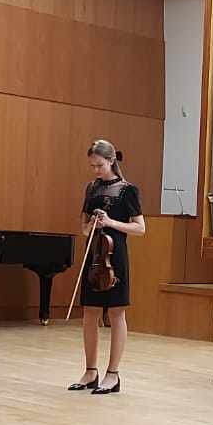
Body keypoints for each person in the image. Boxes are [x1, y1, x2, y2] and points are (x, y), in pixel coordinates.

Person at [69, 139, 145, 395]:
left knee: (115, 313)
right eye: (92, 166)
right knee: (90, 312)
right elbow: (83, 229)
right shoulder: (91, 189)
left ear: (112, 161)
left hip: (115, 257)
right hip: (94, 255)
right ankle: (90, 371)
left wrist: (111, 222)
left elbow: (140, 228)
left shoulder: (128, 190)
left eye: (99, 165)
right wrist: (92, 224)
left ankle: (113, 374)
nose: (96, 170)